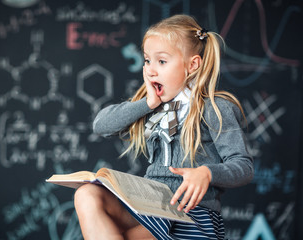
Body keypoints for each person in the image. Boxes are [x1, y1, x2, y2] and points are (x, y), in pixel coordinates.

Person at [74, 14, 254, 240]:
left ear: (192, 65)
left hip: (190, 213)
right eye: (147, 60)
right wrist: (147, 103)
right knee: (87, 194)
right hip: (150, 207)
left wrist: (207, 173)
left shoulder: (215, 108)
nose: (150, 70)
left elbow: (243, 166)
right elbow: (101, 125)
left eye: (161, 61)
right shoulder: (152, 107)